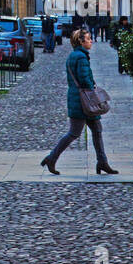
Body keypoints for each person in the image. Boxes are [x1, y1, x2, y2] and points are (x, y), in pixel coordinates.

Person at [41, 28, 118, 176]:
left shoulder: (74, 55)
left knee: (97, 130)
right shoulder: (81, 57)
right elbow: (84, 80)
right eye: (88, 39)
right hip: (84, 101)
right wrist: (93, 91)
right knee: (74, 133)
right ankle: (51, 158)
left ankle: (102, 162)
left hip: (79, 99)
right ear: (81, 42)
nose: (91, 41)